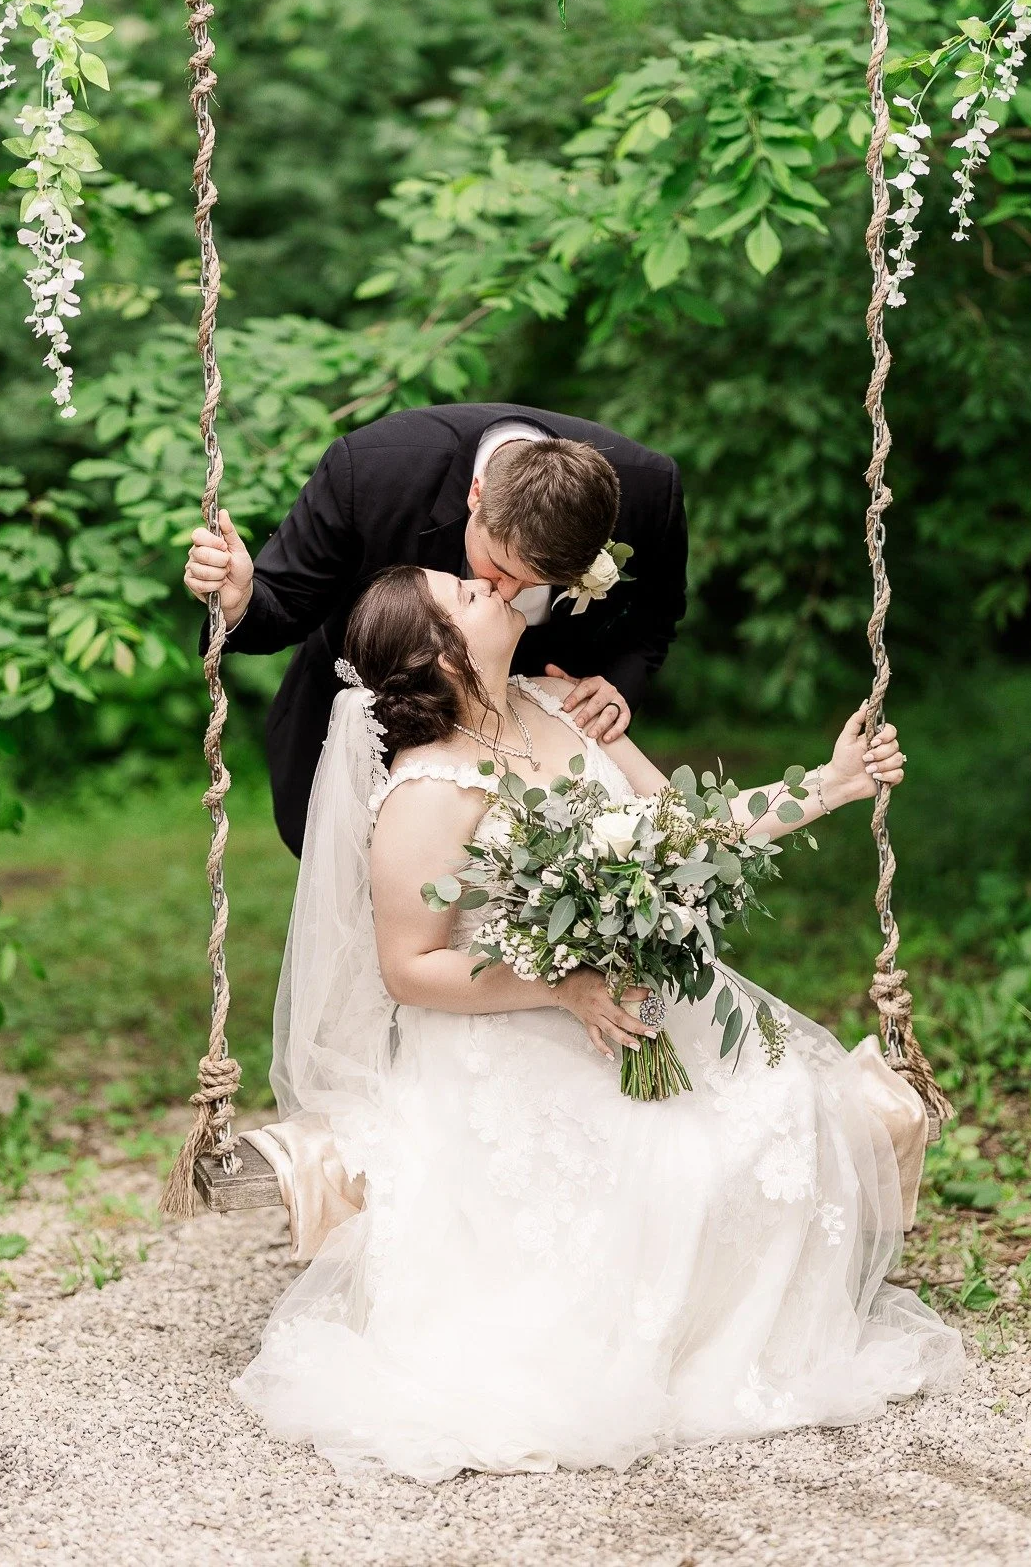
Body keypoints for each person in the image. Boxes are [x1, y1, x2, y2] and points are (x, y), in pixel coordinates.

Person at [231, 564, 965, 1482]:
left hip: (634, 997)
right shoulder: (427, 791)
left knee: (781, 1106)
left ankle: (727, 1333)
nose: (483, 583)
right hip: (512, 1030)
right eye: (460, 594)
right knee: (662, 1168)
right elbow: (409, 970)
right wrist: (562, 985)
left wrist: (828, 784)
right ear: (438, 656)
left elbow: (678, 829)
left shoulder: (560, 702)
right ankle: (651, 1349)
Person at [182, 403, 687, 854]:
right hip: (377, 730)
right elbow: (285, 606)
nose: (505, 595)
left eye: (540, 582)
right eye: (500, 568)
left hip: (550, 759)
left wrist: (618, 685)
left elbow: (656, 617)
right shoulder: (375, 471)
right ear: (476, 493)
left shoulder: (649, 489)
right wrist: (240, 600)